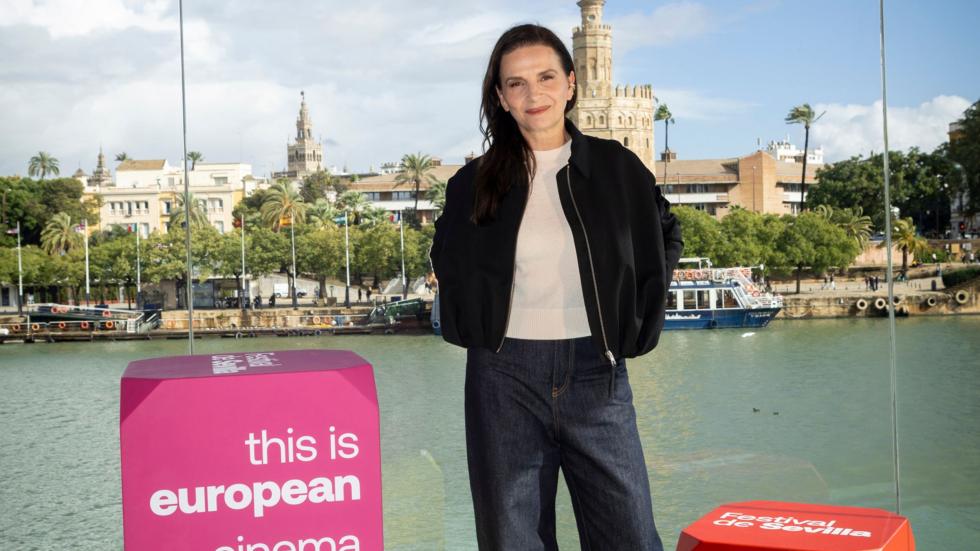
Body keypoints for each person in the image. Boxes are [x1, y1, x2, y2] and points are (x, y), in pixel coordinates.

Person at [430, 24, 681, 550]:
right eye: (516, 83)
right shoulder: (472, 184)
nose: (533, 93)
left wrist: (631, 326)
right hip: (503, 376)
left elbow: (662, 238)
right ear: (500, 98)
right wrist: (474, 328)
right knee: (513, 536)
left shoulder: (617, 168)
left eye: (545, 77)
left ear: (571, 83)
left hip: (598, 370)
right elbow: (447, 259)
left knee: (629, 532)